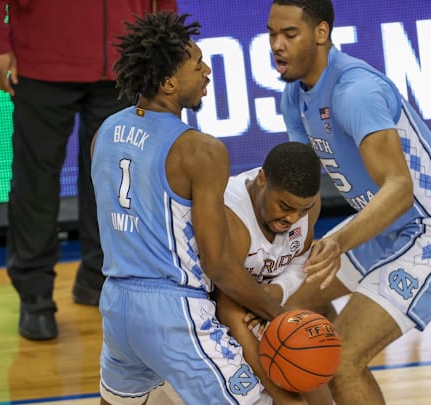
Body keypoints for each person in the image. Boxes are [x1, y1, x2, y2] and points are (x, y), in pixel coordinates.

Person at [267, 1, 431, 404]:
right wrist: (287, 245)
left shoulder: (356, 92)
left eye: (289, 34)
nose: (276, 45)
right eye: (272, 34)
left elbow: (399, 189)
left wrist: (337, 243)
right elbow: (305, 190)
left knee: (343, 359)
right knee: (286, 306)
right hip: (384, 226)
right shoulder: (293, 97)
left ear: (321, 33)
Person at [92, 11, 287, 405]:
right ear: (168, 82)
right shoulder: (201, 150)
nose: (206, 71)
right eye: (197, 64)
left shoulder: (104, 132)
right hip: (173, 311)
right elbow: (218, 264)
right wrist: (271, 307)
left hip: (115, 304)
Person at [0, 0, 177, 341]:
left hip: (124, 60)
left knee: (116, 183)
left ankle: (100, 278)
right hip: (41, 61)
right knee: (35, 182)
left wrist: (166, 44)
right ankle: (35, 294)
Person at [214, 141, 334, 405]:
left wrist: (275, 292)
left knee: (312, 346)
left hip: (263, 305)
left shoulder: (307, 206)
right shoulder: (234, 220)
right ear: (262, 179)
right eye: (285, 206)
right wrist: (287, 400)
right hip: (215, 313)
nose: (293, 218)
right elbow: (228, 309)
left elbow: (301, 260)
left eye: (301, 210)